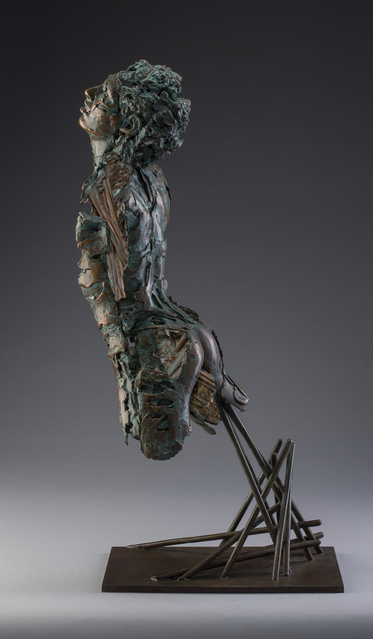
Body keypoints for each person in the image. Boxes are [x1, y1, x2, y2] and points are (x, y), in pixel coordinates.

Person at [76, 60, 248, 461]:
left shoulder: (126, 183)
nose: (90, 96)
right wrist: (122, 345)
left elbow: (113, 276)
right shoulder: (137, 181)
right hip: (138, 316)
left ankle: (193, 398)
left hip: (146, 312)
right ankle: (184, 405)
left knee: (201, 342)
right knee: (195, 347)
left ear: (128, 124)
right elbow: (98, 275)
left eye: (106, 97)